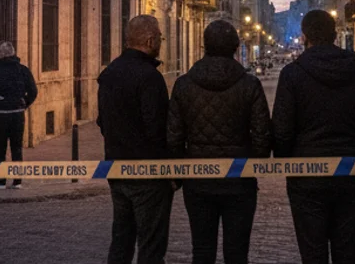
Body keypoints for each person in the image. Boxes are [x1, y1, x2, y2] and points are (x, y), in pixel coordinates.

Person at [272, 9, 355, 264]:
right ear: (334, 34)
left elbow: (282, 128)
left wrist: (286, 159)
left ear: (305, 36)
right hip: (348, 173)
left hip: (305, 176)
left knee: (312, 252)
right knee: (346, 249)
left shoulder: (292, 75)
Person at [168, 20, 271, 264]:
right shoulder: (250, 84)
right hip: (240, 182)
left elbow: (173, 135)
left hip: (197, 181)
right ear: (236, 47)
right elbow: (262, 134)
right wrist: (254, 164)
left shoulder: (183, 85)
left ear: (204, 46)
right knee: (237, 252)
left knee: (202, 251)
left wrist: (180, 171)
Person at [98, 15, 173, 264]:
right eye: (160, 37)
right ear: (150, 40)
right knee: (151, 246)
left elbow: (102, 122)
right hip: (149, 176)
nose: (161, 42)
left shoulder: (108, 75)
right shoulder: (150, 78)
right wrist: (170, 171)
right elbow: (159, 129)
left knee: (121, 239)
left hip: (117, 170)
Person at [0, 41, 37, 189]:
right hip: (17, 114)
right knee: (17, 148)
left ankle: (1, 180)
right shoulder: (23, 70)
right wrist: (24, 102)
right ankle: (17, 180)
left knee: (0, 148)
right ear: (14, 53)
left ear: (1, 54)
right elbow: (33, 91)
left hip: (0, 115)